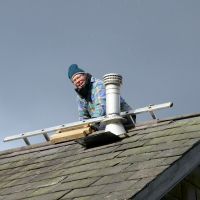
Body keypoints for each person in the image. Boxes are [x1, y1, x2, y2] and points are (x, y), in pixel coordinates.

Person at [67, 64, 134, 122]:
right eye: (74, 81)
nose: (77, 81)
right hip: (104, 120)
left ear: (84, 75)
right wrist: (82, 127)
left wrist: (92, 123)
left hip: (123, 116)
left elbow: (101, 106)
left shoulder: (98, 85)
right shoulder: (80, 96)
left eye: (78, 77)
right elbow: (83, 115)